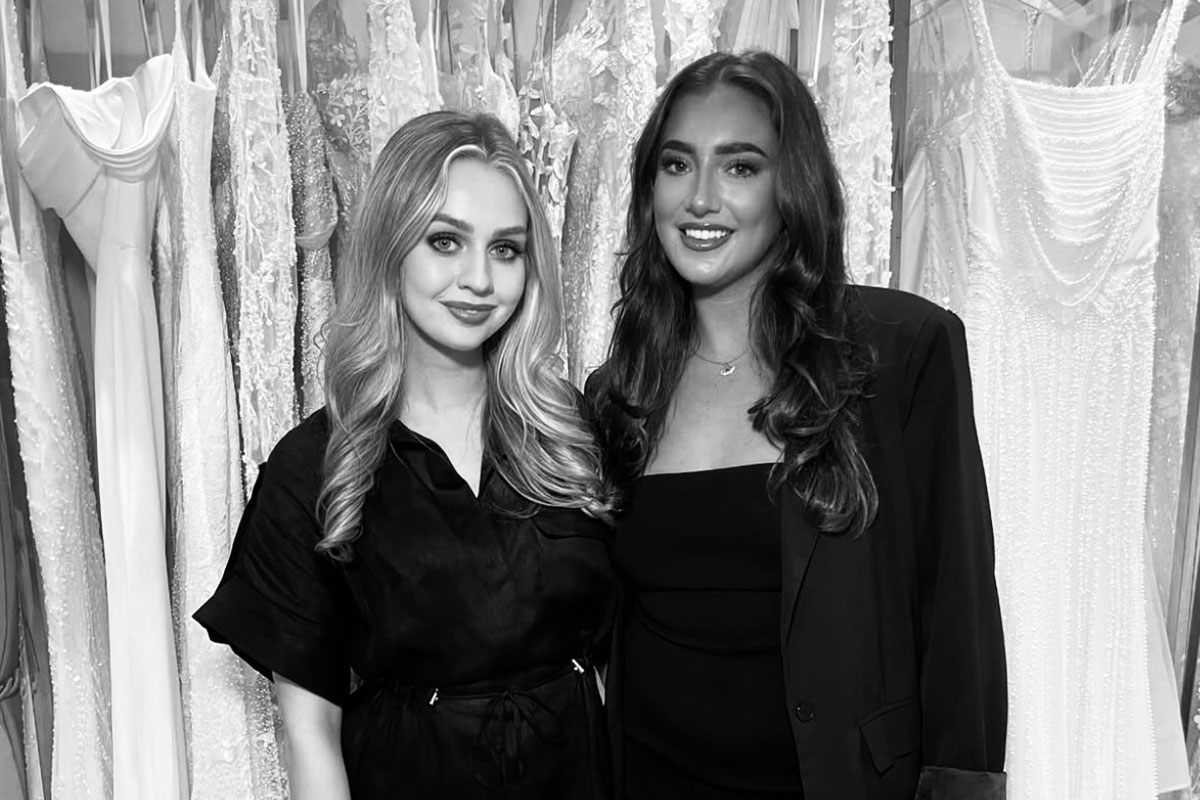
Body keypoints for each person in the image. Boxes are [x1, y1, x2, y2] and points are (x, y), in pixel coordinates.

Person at [586, 51, 1007, 800]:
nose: (702, 199)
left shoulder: (897, 351)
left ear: (792, 186)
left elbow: (957, 612)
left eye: (741, 167)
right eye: (677, 165)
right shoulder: (620, 390)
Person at [195, 111, 615, 800]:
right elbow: (308, 730)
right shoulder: (319, 466)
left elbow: (607, 660)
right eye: (446, 241)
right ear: (392, 246)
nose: (479, 279)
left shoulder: (569, 430)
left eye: (506, 249)